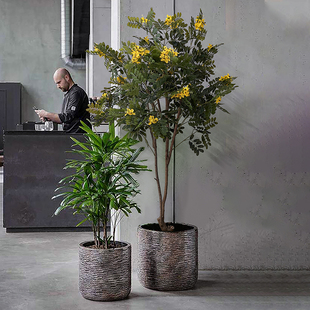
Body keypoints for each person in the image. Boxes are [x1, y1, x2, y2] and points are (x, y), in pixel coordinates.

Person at [35, 68, 91, 133]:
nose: (58, 86)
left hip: (79, 137)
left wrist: (46, 114)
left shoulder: (76, 93)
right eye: (56, 83)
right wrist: (50, 118)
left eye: (59, 82)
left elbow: (68, 116)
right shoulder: (69, 94)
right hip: (71, 136)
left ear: (67, 77)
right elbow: (65, 119)